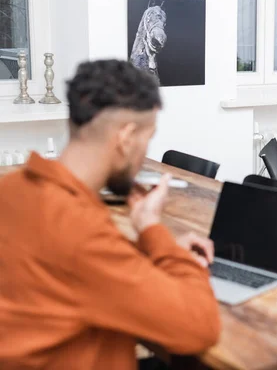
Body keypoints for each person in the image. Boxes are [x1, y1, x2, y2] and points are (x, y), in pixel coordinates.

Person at [0, 60, 221, 370]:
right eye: (148, 137)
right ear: (126, 136)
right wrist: (152, 229)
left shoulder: (11, 189)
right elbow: (200, 327)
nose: (145, 151)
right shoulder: (78, 229)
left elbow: (74, 274)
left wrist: (153, 248)